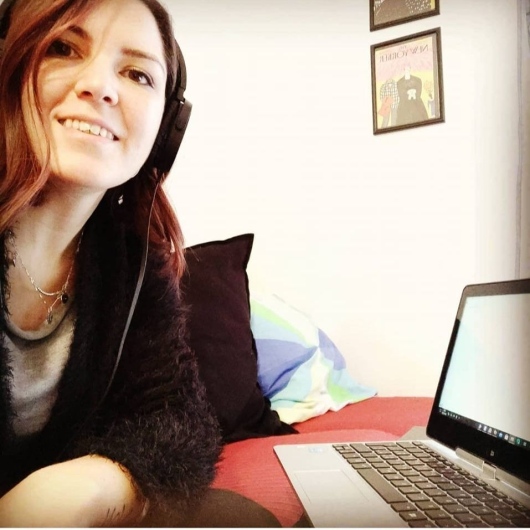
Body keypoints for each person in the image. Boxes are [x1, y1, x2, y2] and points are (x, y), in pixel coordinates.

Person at [0, 0, 225, 526]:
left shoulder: (131, 263)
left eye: (137, 74)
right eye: (63, 48)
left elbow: (183, 421)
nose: (100, 87)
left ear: (167, 127)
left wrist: (90, 486)